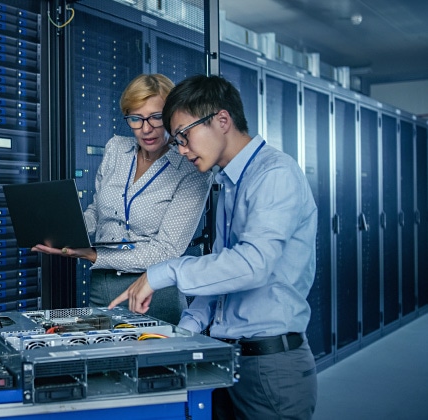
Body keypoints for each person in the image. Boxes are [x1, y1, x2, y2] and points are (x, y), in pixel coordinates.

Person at [109, 74, 318, 419]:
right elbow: (223, 273)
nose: (182, 150)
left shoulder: (274, 174)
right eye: (176, 141)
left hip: (271, 367)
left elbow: (252, 266)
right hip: (227, 360)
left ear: (222, 120)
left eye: (185, 136)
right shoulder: (230, 182)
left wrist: (163, 271)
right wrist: (182, 331)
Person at [32, 74, 212, 325]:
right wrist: (65, 232)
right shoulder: (116, 149)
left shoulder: (190, 169)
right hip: (102, 286)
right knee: (102, 362)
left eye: (156, 117)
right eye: (135, 119)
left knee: (154, 363)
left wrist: (92, 255)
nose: (146, 129)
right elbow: (98, 210)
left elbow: (167, 251)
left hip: (155, 292)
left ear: (173, 116)